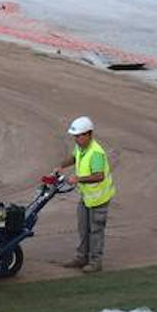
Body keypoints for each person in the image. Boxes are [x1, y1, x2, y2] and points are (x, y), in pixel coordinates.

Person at [55, 116, 115, 273]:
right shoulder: (82, 148)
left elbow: (99, 176)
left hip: (98, 198)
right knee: (83, 228)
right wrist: (61, 165)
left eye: (79, 136)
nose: (76, 139)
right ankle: (82, 257)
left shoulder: (96, 153)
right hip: (87, 196)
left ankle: (95, 262)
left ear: (88, 134)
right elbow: (74, 157)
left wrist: (78, 179)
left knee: (95, 231)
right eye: (74, 136)